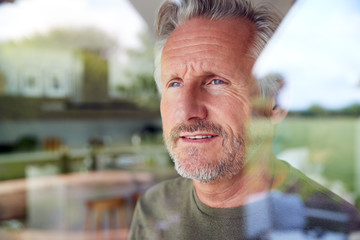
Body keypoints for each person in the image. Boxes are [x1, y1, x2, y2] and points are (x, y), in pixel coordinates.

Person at [129, 0, 360, 239]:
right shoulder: (154, 209)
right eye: (175, 83)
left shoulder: (332, 228)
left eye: (216, 81)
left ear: (275, 103)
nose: (186, 110)